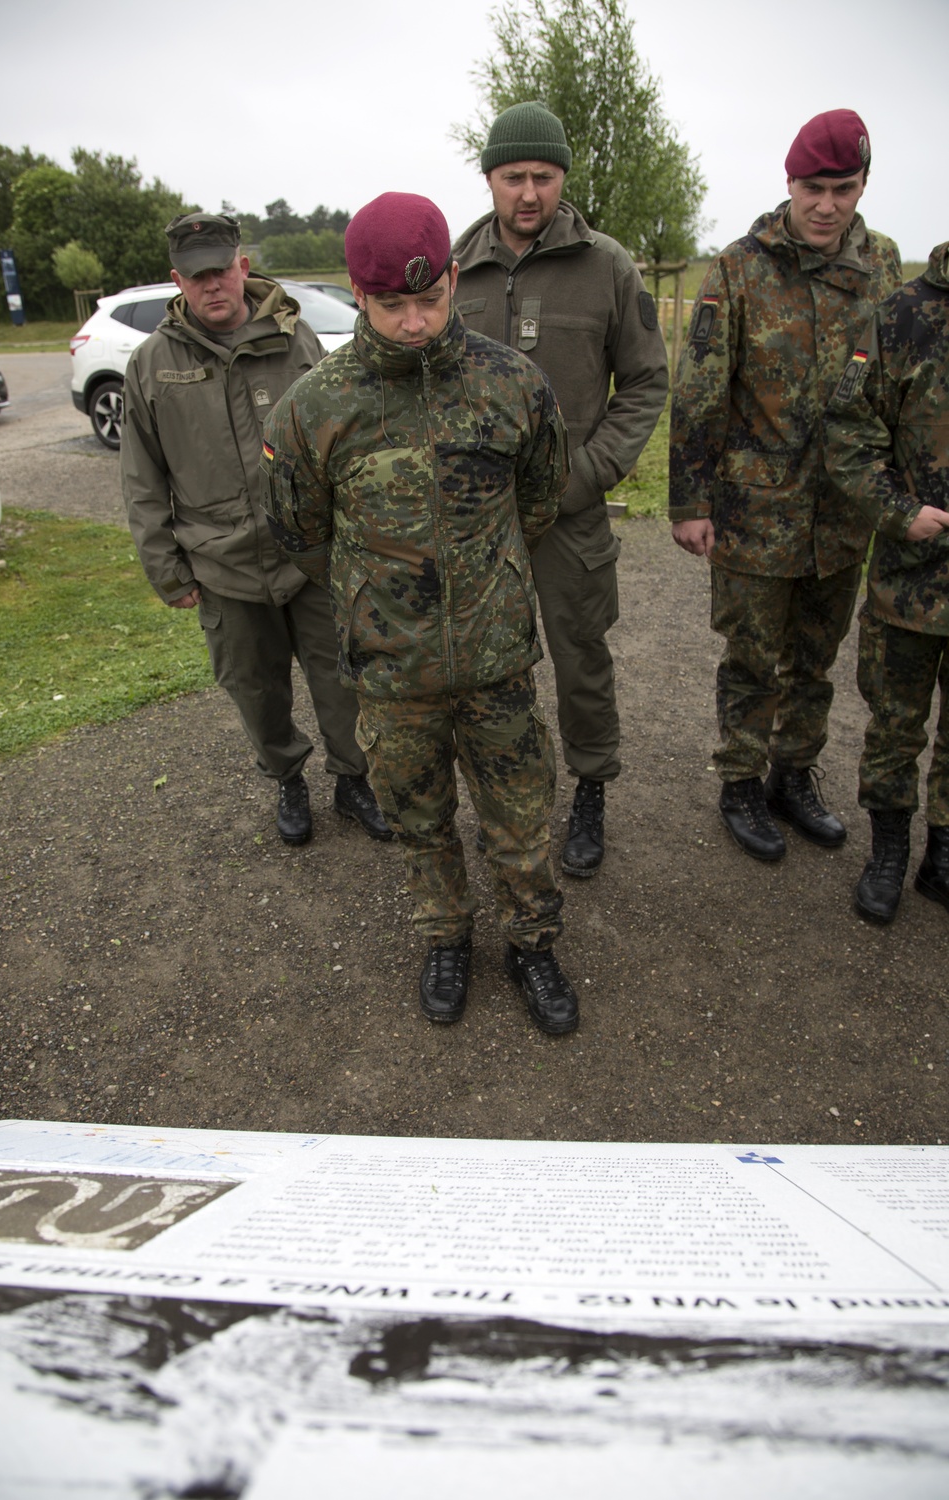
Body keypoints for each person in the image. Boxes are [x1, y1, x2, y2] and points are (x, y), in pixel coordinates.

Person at [261, 193, 579, 1034]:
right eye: (392, 305)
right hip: (393, 669)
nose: (414, 322)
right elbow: (301, 533)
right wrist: (382, 598)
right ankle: (445, 936)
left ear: (449, 280)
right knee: (419, 816)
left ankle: (532, 943)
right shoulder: (313, 408)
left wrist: (485, 582)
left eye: (429, 299)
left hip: (498, 658)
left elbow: (540, 500)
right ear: (358, 297)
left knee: (520, 817)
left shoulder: (513, 383)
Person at [670, 109, 902, 862]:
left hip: (842, 514)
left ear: (863, 185)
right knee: (750, 657)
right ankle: (740, 783)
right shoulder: (741, 267)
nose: (826, 205)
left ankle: (793, 775)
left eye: (841, 188)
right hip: (754, 511)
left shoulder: (884, 268)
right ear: (789, 184)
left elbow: (897, 388)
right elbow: (701, 388)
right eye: (812, 188)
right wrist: (690, 502)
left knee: (816, 656)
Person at [120, 212, 389, 848]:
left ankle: (354, 781)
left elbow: (342, 447)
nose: (212, 286)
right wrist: (166, 568)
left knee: (342, 681)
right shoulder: (151, 364)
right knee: (256, 691)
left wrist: (353, 540)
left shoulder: (296, 344)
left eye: (222, 271)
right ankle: (288, 781)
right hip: (222, 565)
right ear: (177, 281)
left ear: (243, 266)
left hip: (311, 560)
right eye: (196, 277)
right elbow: (141, 477)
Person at [453, 102, 668, 878]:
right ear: (490, 179)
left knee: (580, 656)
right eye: (514, 177)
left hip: (569, 513)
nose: (529, 193)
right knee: (484, 667)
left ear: (563, 178)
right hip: (477, 522)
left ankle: (591, 790)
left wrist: (587, 474)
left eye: (544, 176)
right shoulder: (456, 266)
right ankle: (510, 798)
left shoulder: (607, 265)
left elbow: (645, 382)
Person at [825, 240, 949, 923]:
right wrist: (899, 512)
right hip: (913, 577)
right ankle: (890, 850)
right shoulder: (903, 315)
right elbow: (850, 430)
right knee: (897, 724)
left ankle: (944, 853)